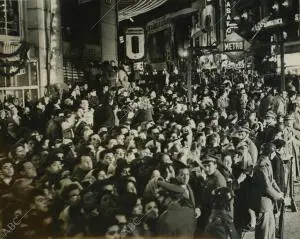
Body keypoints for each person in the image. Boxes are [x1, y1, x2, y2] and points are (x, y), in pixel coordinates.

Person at [251, 155, 284, 239]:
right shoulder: (261, 169)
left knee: (270, 231)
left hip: (268, 205)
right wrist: (279, 196)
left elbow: (272, 180)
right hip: (263, 205)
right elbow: (267, 188)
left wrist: (279, 191)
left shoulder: (266, 165)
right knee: (264, 233)